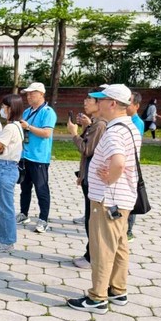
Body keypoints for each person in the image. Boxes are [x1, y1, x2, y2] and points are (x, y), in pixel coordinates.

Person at [67, 84, 142, 314]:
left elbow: (118, 161)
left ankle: (97, 297)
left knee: (102, 248)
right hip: (123, 199)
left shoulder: (114, 131)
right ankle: (118, 290)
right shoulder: (129, 127)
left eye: (101, 100)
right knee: (119, 246)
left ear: (112, 104)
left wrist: (110, 178)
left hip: (108, 200)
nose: (97, 103)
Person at [68, 92, 106, 269]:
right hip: (88, 177)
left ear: (99, 104)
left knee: (92, 220)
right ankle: (90, 255)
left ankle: (92, 257)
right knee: (90, 219)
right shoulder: (94, 124)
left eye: (89, 99)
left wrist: (74, 133)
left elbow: (86, 149)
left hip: (95, 180)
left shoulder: (100, 125)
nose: (85, 102)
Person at [17, 82, 57, 233]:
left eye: (32, 93)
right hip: (25, 155)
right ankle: (23, 213)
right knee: (24, 187)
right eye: (27, 94)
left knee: (41, 189)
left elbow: (46, 133)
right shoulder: (27, 111)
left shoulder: (48, 112)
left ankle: (43, 219)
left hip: (39, 157)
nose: (28, 96)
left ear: (41, 94)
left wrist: (28, 127)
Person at [0, 94, 25, 253]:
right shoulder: (16, 126)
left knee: (5, 207)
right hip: (8, 167)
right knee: (2, 206)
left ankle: (7, 241)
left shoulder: (10, 128)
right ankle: (2, 237)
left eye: (4, 107)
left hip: (5, 167)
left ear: (11, 109)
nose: (2, 110)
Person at [126, 92, 145, 241]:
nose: (126, 104)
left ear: (136, 106)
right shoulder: (127, 120)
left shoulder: (137, 123)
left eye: (129, 102)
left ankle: (129, 230)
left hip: (130, 166)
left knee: (130, 199)